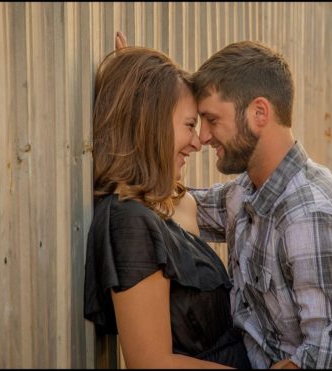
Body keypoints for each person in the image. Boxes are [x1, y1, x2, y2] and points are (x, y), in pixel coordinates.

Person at [188, 41, 332, 369]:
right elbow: (180, 204)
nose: (204, 136)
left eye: (211, 119)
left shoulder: (311, 218)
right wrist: (143, 98)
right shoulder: (248, 192)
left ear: (259, 113)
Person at [83, 43, 251, 368]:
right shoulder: (129, 222)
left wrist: (143, 72)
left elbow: (249, 198)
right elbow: (151, 363)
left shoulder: (174, 204)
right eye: (190, 125)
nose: (199, 141)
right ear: (150, 123)